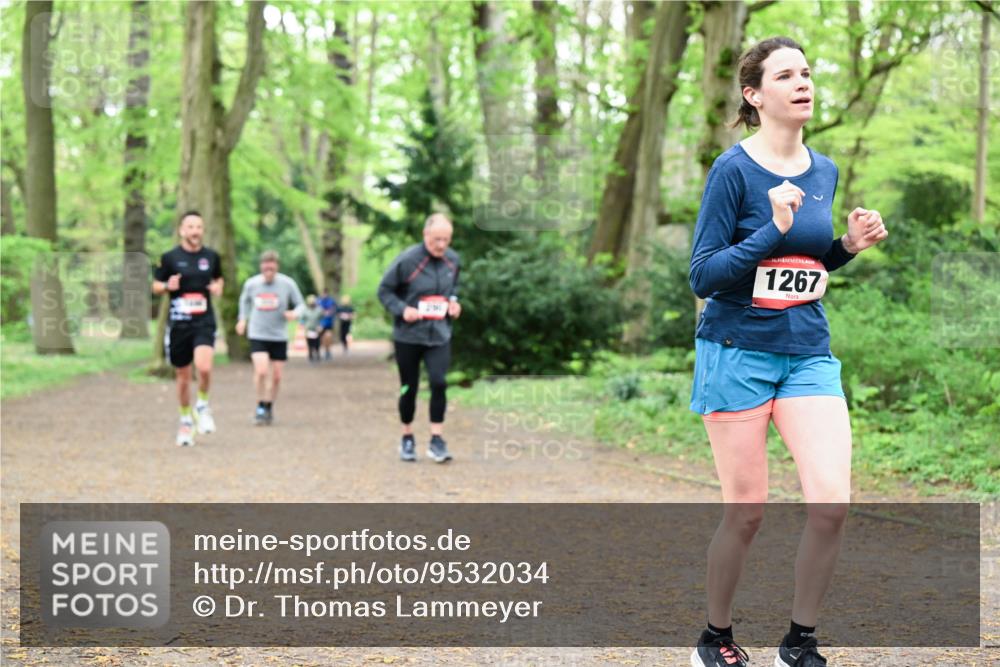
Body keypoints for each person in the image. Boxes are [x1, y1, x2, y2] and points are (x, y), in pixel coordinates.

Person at [687, 37, 888, 667]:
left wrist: (846, 248)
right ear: (755, 94)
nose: (802, 82)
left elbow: (807, 264)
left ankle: (799, 642)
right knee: (746, 514)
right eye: (785, 75)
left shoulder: (823, 170)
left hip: (807, 351)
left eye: (807, 71)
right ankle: (715, 638)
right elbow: (704, 274)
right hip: (736, 351)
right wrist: (768, 229)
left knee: (832, 503)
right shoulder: (733, 171)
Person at [377, 213, 461, 463]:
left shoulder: (453, 260)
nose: (441, 245)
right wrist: (403, 310)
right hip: (408, 336)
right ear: (425, 236)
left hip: (439, 335)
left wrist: (454, 304)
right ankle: (407, 436)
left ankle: (436, 439)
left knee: (439, 383)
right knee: (409, 388)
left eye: (446, 240)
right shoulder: (408, 260)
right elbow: (384, 291)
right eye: (436, 239)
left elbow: (454, 288)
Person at [152, 211, 223, 447]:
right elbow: (155, 285)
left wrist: (217, 288)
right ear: (182, 230)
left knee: (204, 367)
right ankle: (185, 420)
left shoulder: (211, 257)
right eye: (190, 227)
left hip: (203, 321)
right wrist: (166, 286)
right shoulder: (169, 258)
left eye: (199, 227)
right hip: (179, 323)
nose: (195, 231)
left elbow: (218, 278)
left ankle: (202, 405)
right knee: (182, 377)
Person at [235, 250, 305, 425]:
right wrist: (242, 319)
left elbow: (301, 304)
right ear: (261, 267)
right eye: (266, 268)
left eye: (272, 268)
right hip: (258, 333)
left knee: (277, 376)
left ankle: (269, 406)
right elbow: (244, 302)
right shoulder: (252, 284)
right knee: (261, 371)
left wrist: (294, 314)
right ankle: (260, 404)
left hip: (279, 335)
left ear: (276, 268)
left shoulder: (287, 284)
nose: (268, 272)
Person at [301, 295, 324, 363]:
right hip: (308, 330)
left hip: (317, 329)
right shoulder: (305, 310)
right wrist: (303, 326)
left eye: (313, 302)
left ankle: (317, 354)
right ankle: (310, 355)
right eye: (310, 303)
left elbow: (322, 319)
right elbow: (302, 320)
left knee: (317, 343)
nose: (312, 304)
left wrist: (321, 326)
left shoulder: (319, 310)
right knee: (310, 343)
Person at [318, 289, 337, 361]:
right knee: (322, 338)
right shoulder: (318, 301)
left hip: (328, 323)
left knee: (328, 337)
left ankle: (328, 351)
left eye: (325, 294)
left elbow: (332, 311)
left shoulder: (331, 301)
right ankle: (324, 351)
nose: (324, 295)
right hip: (320, 323)